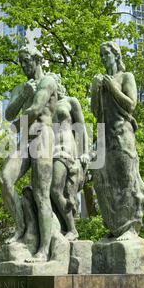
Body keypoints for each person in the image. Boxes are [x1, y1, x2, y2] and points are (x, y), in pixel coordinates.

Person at [0, 46, 59, 263]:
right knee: (5, 179)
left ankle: (43, 249)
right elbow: (8, 112)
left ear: (37, 60)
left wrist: (16, 125)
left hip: (43, 136)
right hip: (25, 141)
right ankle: (21, 227)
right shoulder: (23, 86)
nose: (23, 66)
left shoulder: (48, 82)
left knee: (41, 193)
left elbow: (34, 109)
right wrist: (22, 94)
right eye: (21, 62)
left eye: (26, 61)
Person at [91, 41, 144, 241]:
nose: (104, 59)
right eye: (101, 56)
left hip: (122, 135)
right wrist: (95, 90)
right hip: (104, 138)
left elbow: (131, 105)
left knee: (127, 181)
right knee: (104, 183)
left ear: (116, 55)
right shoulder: (102, 81)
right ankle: (115, 227)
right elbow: (96, 111)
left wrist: (112, 87)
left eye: (106, 54)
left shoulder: (126, 77)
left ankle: (132, 227)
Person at [49, 74, 90, 241]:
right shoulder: (45, 106)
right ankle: (61, 228)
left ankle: (72, 228)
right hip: (48, 152)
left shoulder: (70, 101)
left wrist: (85, 152)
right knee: (51, 193)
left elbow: (82, 129)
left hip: (66, 150)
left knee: (55, 189)